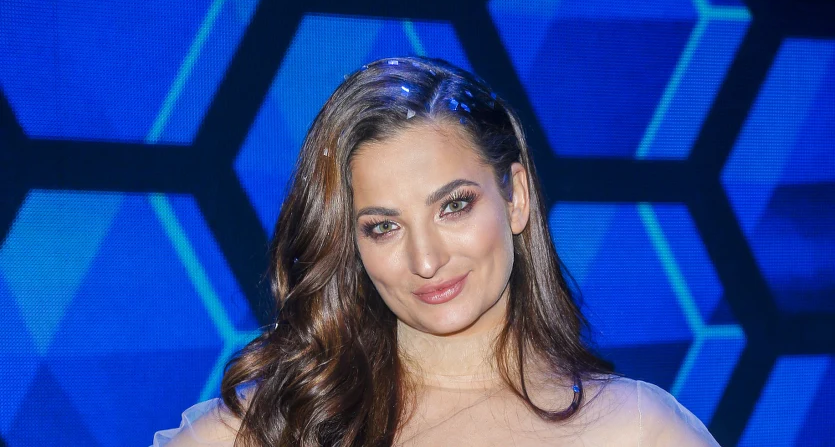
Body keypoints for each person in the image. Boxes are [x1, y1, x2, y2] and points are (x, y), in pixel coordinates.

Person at [151, 57, 719, 446]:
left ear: (516, 198)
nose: (425, 261)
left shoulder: (632, 430)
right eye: (383, 227)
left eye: (454, 206)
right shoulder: (280, 426)